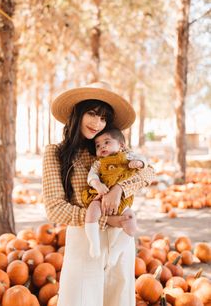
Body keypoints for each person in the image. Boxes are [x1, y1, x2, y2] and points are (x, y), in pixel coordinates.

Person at [42, 82, 155, 306]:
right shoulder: (55, 153)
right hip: (85, 241)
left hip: (119, 242)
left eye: (103, 118)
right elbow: (54, 209)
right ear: (78, 113)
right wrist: (106, 218)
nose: (97, 123)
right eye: (92, 113)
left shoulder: (110, 148)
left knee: (119, 299)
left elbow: (148, 172)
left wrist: (119, 189)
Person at [83, 127, 148, 261]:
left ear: (121, 145)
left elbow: (145, 162)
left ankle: (116, 251)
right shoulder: (98, 163)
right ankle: (93, 243)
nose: (102, 147)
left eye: (107, 142)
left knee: (131, 221)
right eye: (98, 145)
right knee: (92, 211)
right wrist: (97, 184)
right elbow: (91, 176)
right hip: (100, 196)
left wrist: (139, 163)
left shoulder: (127, 156)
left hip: (122, 200)